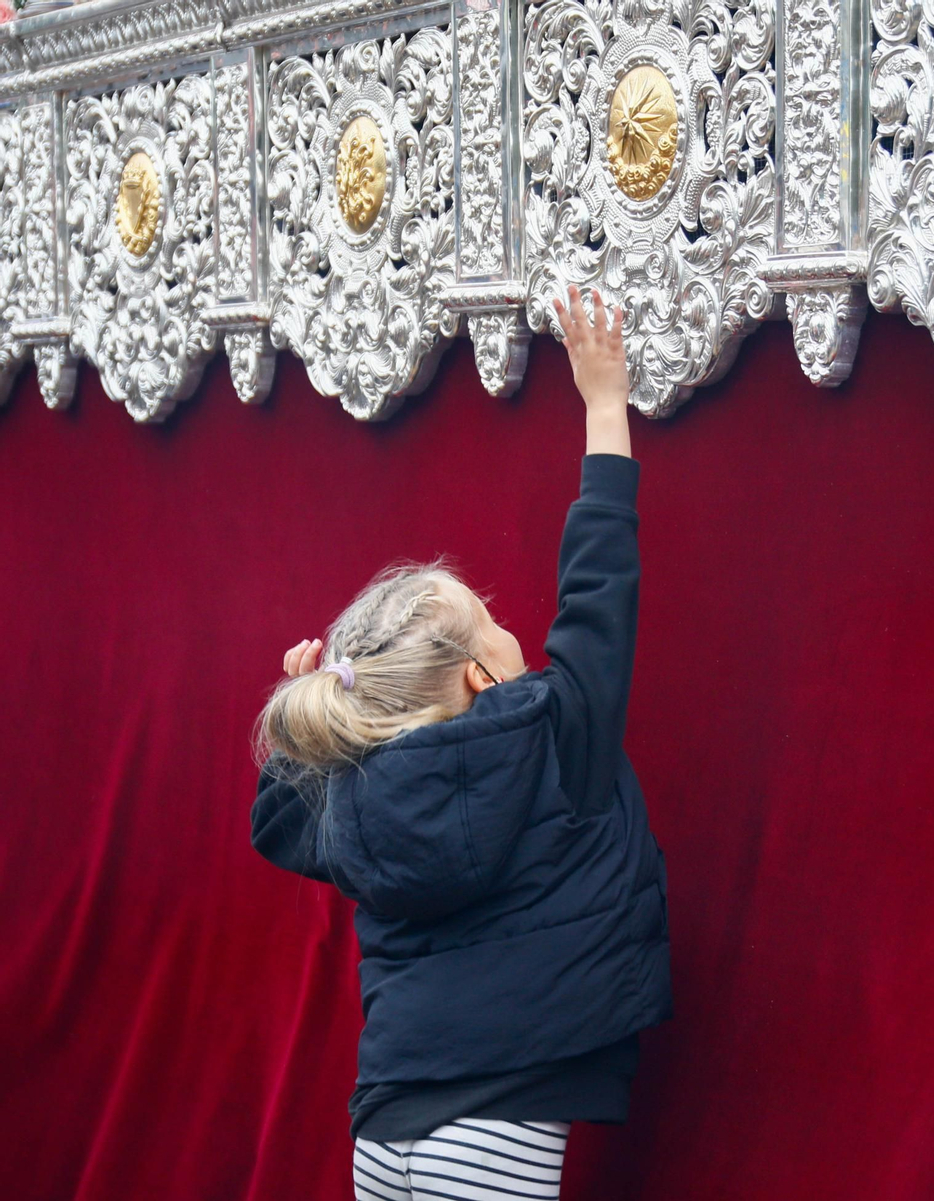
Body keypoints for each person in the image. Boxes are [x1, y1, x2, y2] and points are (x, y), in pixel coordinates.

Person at [249, 287, 670, 1201]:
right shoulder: (557, 734)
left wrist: (307, 725)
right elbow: (600, 587)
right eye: (496, 628)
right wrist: (605, 402)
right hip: (496, 1125)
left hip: (385, 1126)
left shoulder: (353, 789)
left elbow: (279, 822)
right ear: (484, 676)